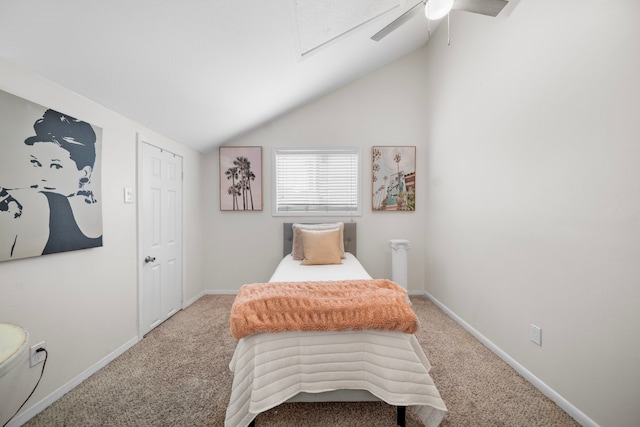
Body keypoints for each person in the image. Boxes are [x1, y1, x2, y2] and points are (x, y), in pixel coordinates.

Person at [22, 109, 102, 255]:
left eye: (56, 165)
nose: (42, 176)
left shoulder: (46, 201)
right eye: (36, 163)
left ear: (84, 173)